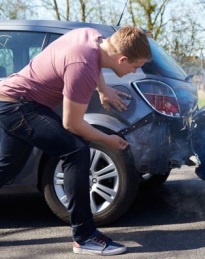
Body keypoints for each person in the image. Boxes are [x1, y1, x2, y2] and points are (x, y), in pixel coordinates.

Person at [0, 25, 152, 255]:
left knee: (6, 168)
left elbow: (96, 61)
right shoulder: (82, 66)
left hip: (12, 100)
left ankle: (85, 235)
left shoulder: (92, 37)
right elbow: (72, 124)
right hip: (18, 106)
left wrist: (103, 89)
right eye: (135, 66)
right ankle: (85, 236)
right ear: (121, 59)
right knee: (76, 151)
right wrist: (107, 140)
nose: (134, 71)